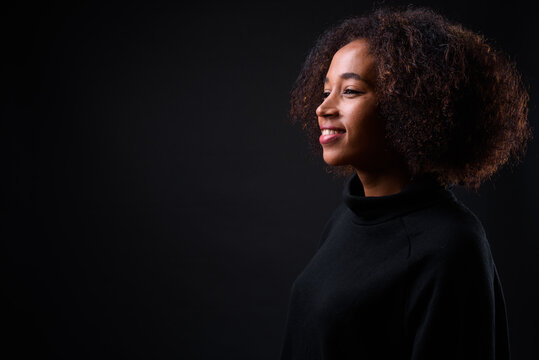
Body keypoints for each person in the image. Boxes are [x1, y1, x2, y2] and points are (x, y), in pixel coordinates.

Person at [280, 6, 531, 360]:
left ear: (407, 107)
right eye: (325, 91)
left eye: (350, 91)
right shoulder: (346, 220)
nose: (323, 108)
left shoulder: (451, 246)